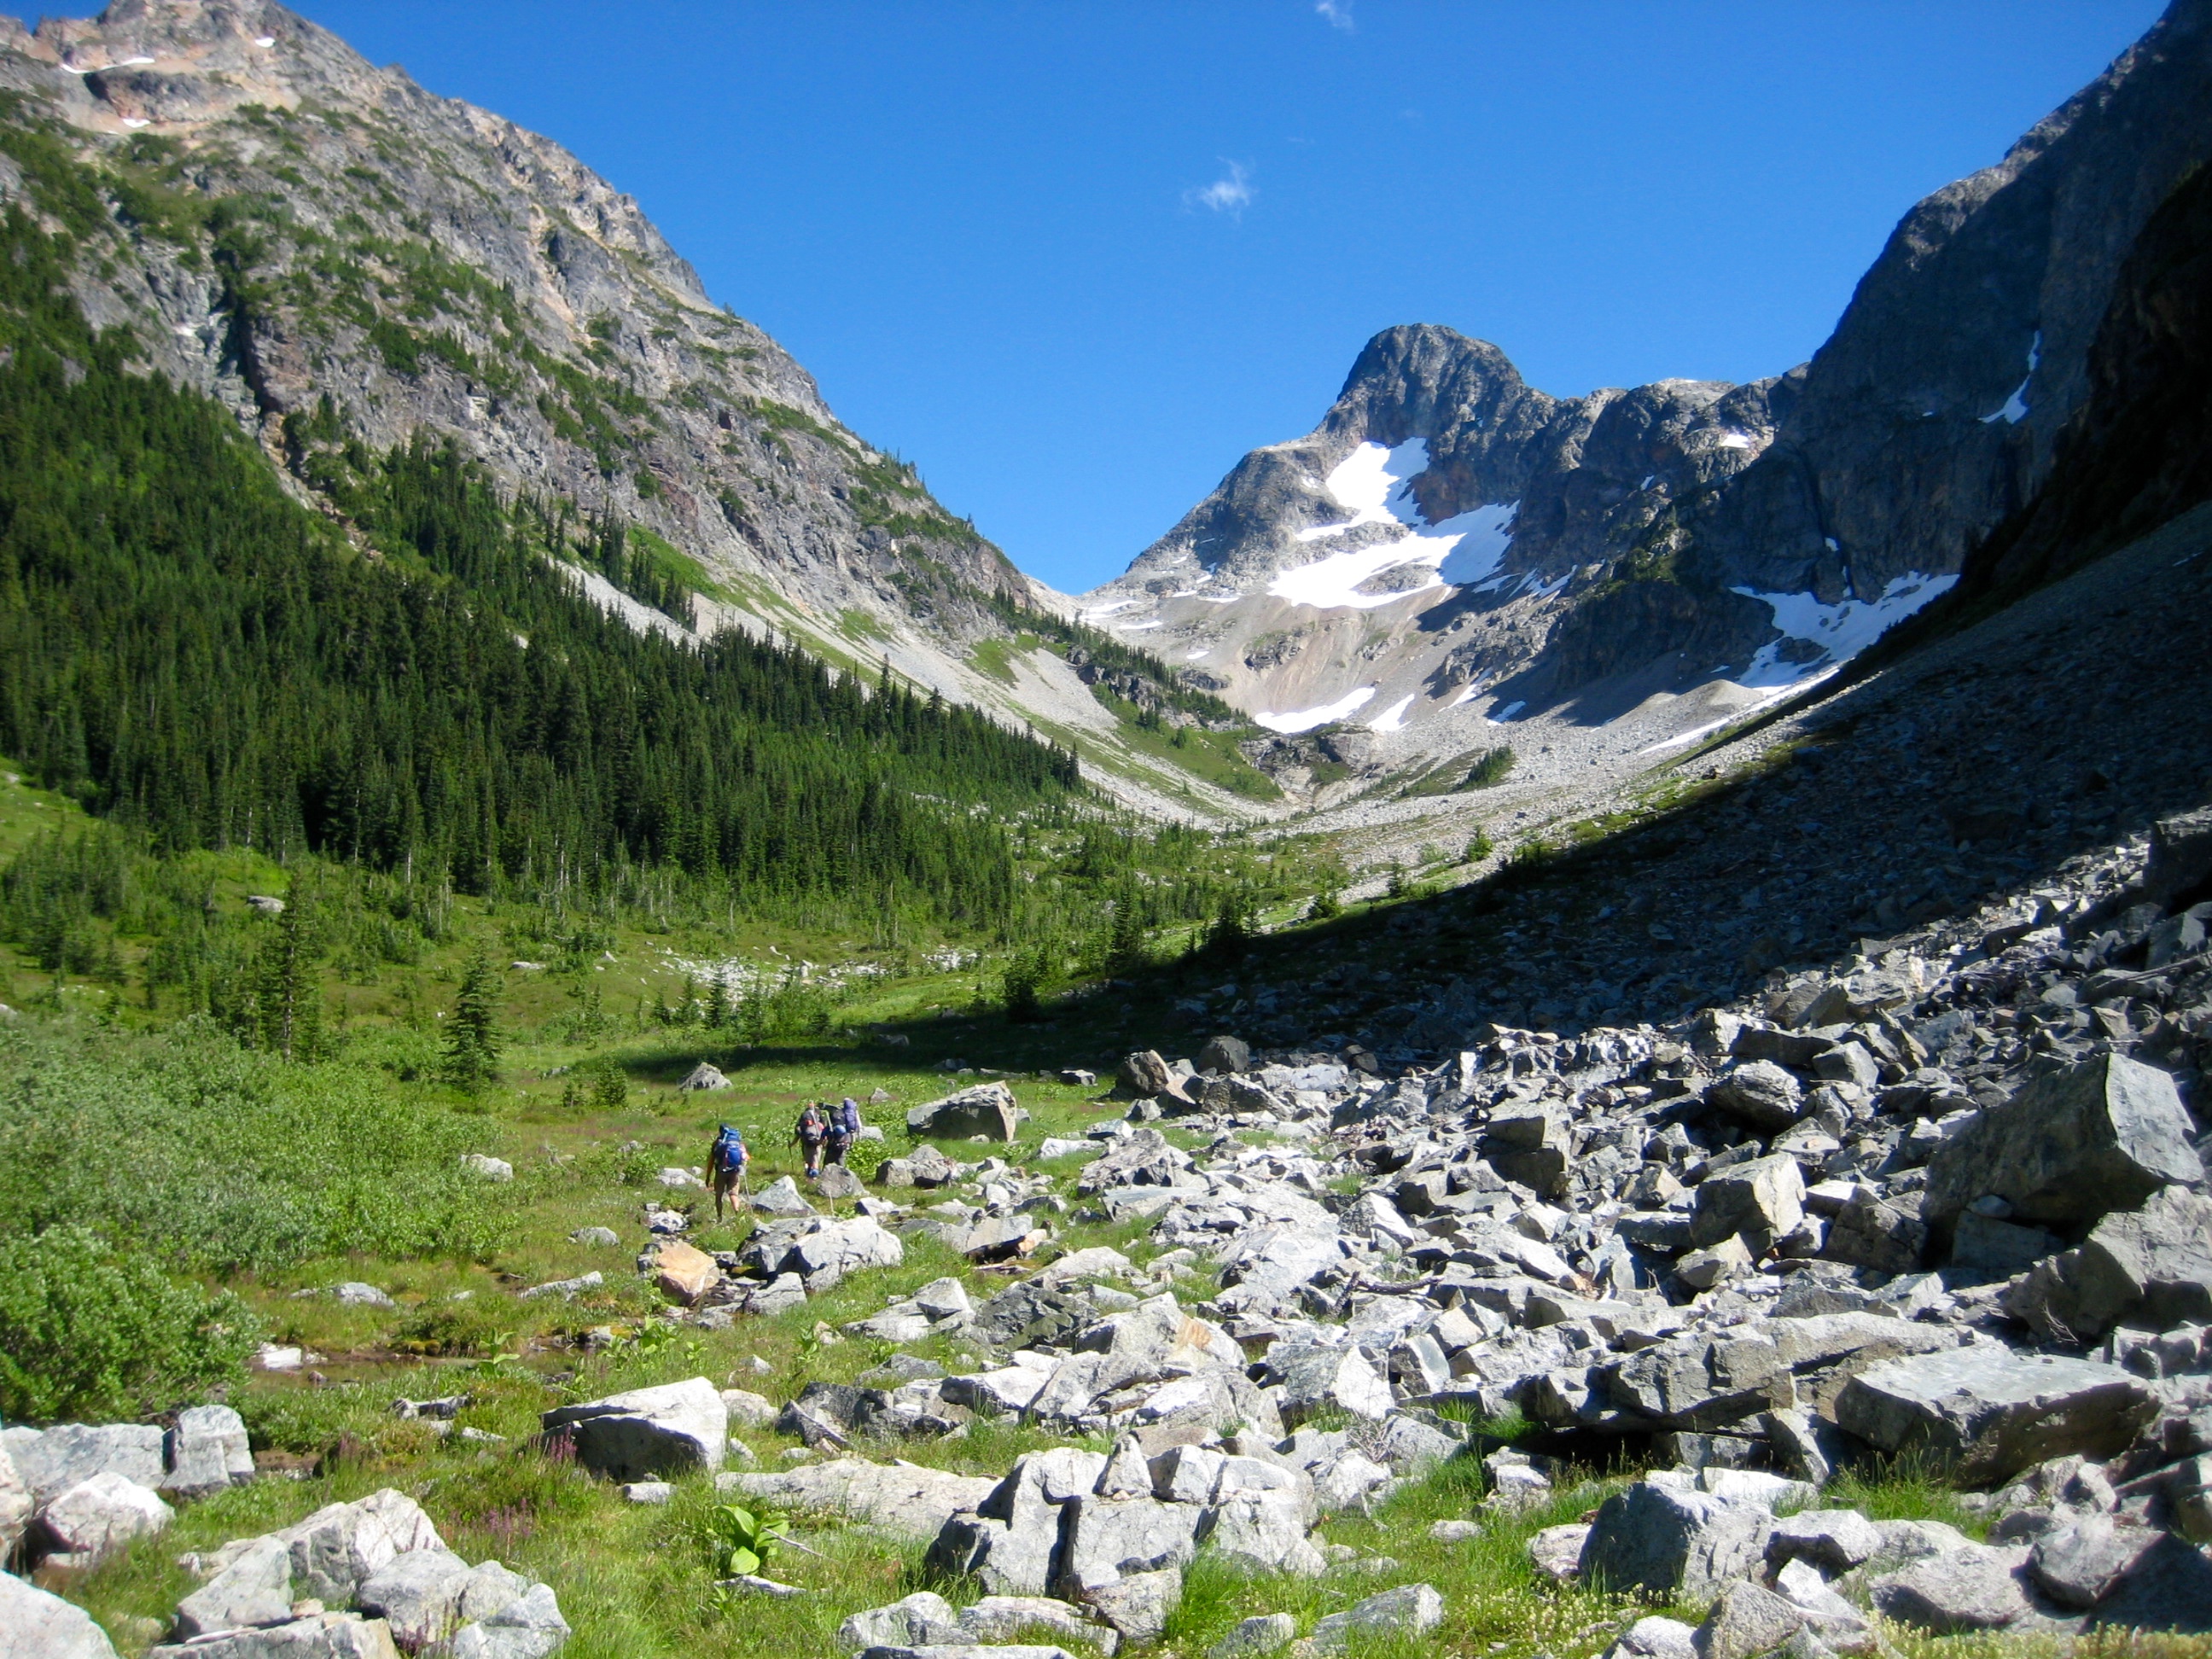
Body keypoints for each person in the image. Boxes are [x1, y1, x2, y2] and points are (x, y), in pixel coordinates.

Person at [708, 1122, 748, 1220]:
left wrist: (708, 1177)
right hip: (735, 1171)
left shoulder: (718, 1143)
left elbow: (711, 1161)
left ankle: (719, 1217)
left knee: (719, 1195)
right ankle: (738, 1215)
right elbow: (746, 1157)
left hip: (721, 1171)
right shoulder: (739, 1143)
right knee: (733, 1194)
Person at [795, 1100, 829, 1179]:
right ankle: (814, 1176)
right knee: (815, 1160)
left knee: (808, 1160)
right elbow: (824, 1131)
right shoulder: (820, 1120)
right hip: (817, 1142)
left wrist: (793, 1143)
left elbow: (798, 1131)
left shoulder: (804, 1117)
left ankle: (808, 1174)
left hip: (807, 1142)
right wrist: (824, 1143)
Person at [826, 1096, 862, 1167]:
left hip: (835, 1143)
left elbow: (826, 1132)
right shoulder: (850, 1113)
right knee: (841, 1159)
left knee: (828, 1161)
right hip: (846, 1139)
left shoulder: (840, 1114)